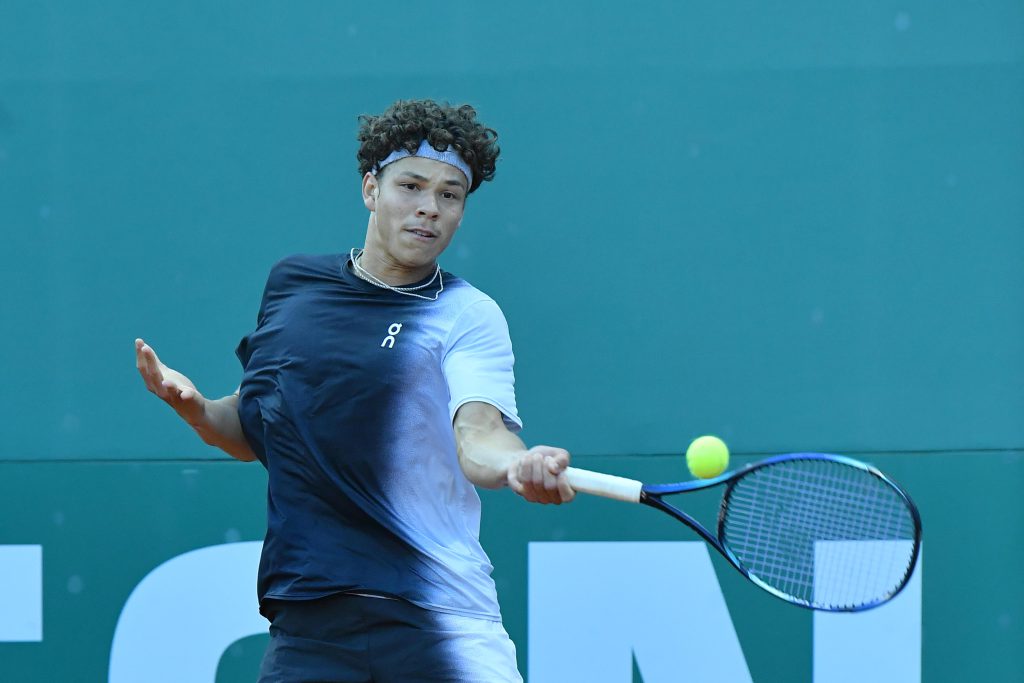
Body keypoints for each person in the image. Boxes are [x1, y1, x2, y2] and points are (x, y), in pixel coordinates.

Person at [134, 99, 574, 682]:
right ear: (371, 189)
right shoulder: (293, 286)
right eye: (411, 186)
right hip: (309, 623)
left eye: (450, 195)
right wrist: (194, 408)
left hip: (436, 619)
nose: (428, 208)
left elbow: (480, 436)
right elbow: (256, 429)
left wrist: (519, 465)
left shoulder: (466, 313)